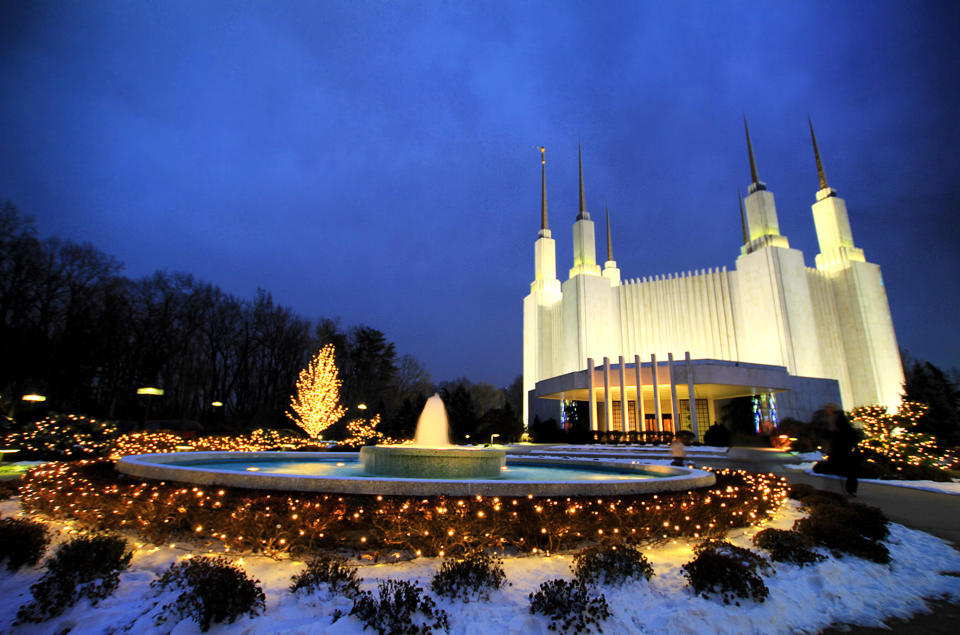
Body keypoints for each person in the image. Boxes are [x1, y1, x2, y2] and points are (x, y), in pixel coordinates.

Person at [825, 403, 859, 496]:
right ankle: (848, 490)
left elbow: (842, 432)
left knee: (847, 470)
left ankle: (847, 490)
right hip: (841, 448)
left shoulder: (838, 418)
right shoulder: (836, 418)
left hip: (842, 449)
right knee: (847, 471)